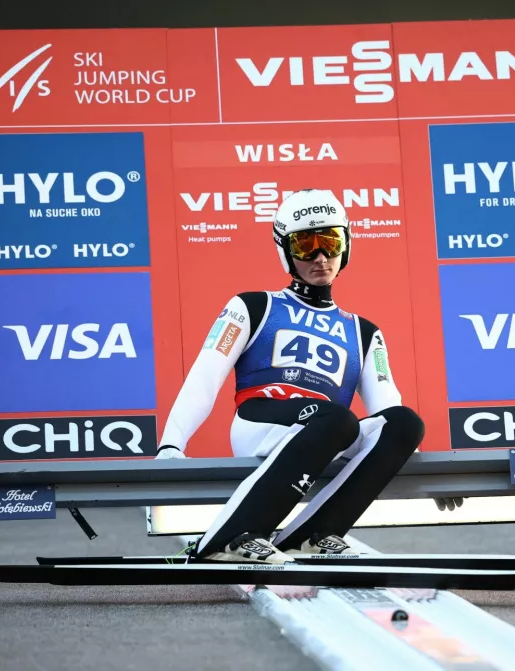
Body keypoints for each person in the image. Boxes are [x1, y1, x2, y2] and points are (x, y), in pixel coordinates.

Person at [154, 188, 426, 564]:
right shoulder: (252, 306)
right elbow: (205, 377)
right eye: (305, 244)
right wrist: (172, 444)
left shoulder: (364, 332)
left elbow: (387, 409)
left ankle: (313, 535)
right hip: (261, 422)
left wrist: (418, 465)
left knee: (405, 422)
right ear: (285, 250)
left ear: (346, 245)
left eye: (330, 242)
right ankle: (229, 537)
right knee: (337, 419)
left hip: (327, 433)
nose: (319, 256)